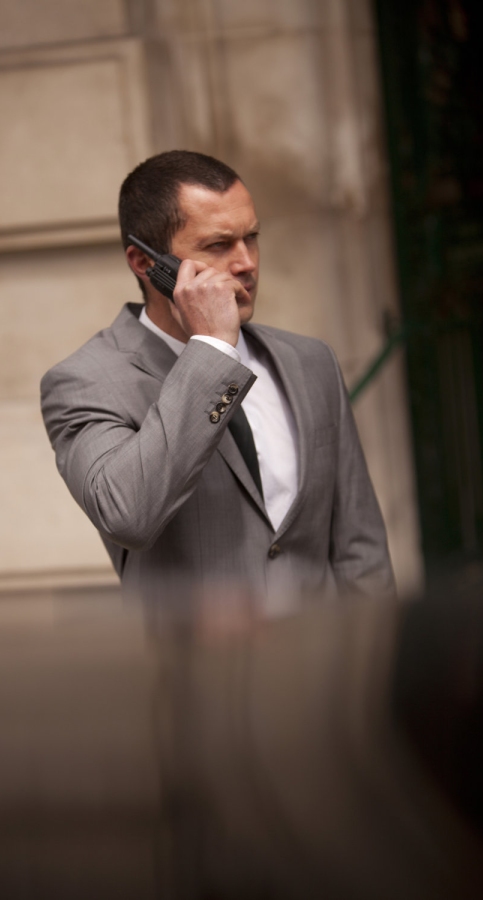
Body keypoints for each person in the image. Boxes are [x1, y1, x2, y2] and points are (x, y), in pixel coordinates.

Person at [40, 150, 395, 602]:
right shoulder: (84, 382)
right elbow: (127, 514)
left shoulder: (310, 361)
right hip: (200, 668)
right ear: (146, 263)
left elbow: (358, 545)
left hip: (325, 661)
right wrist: (211, 350)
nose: (246, 262)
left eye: (252, 237)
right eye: (218, 245)